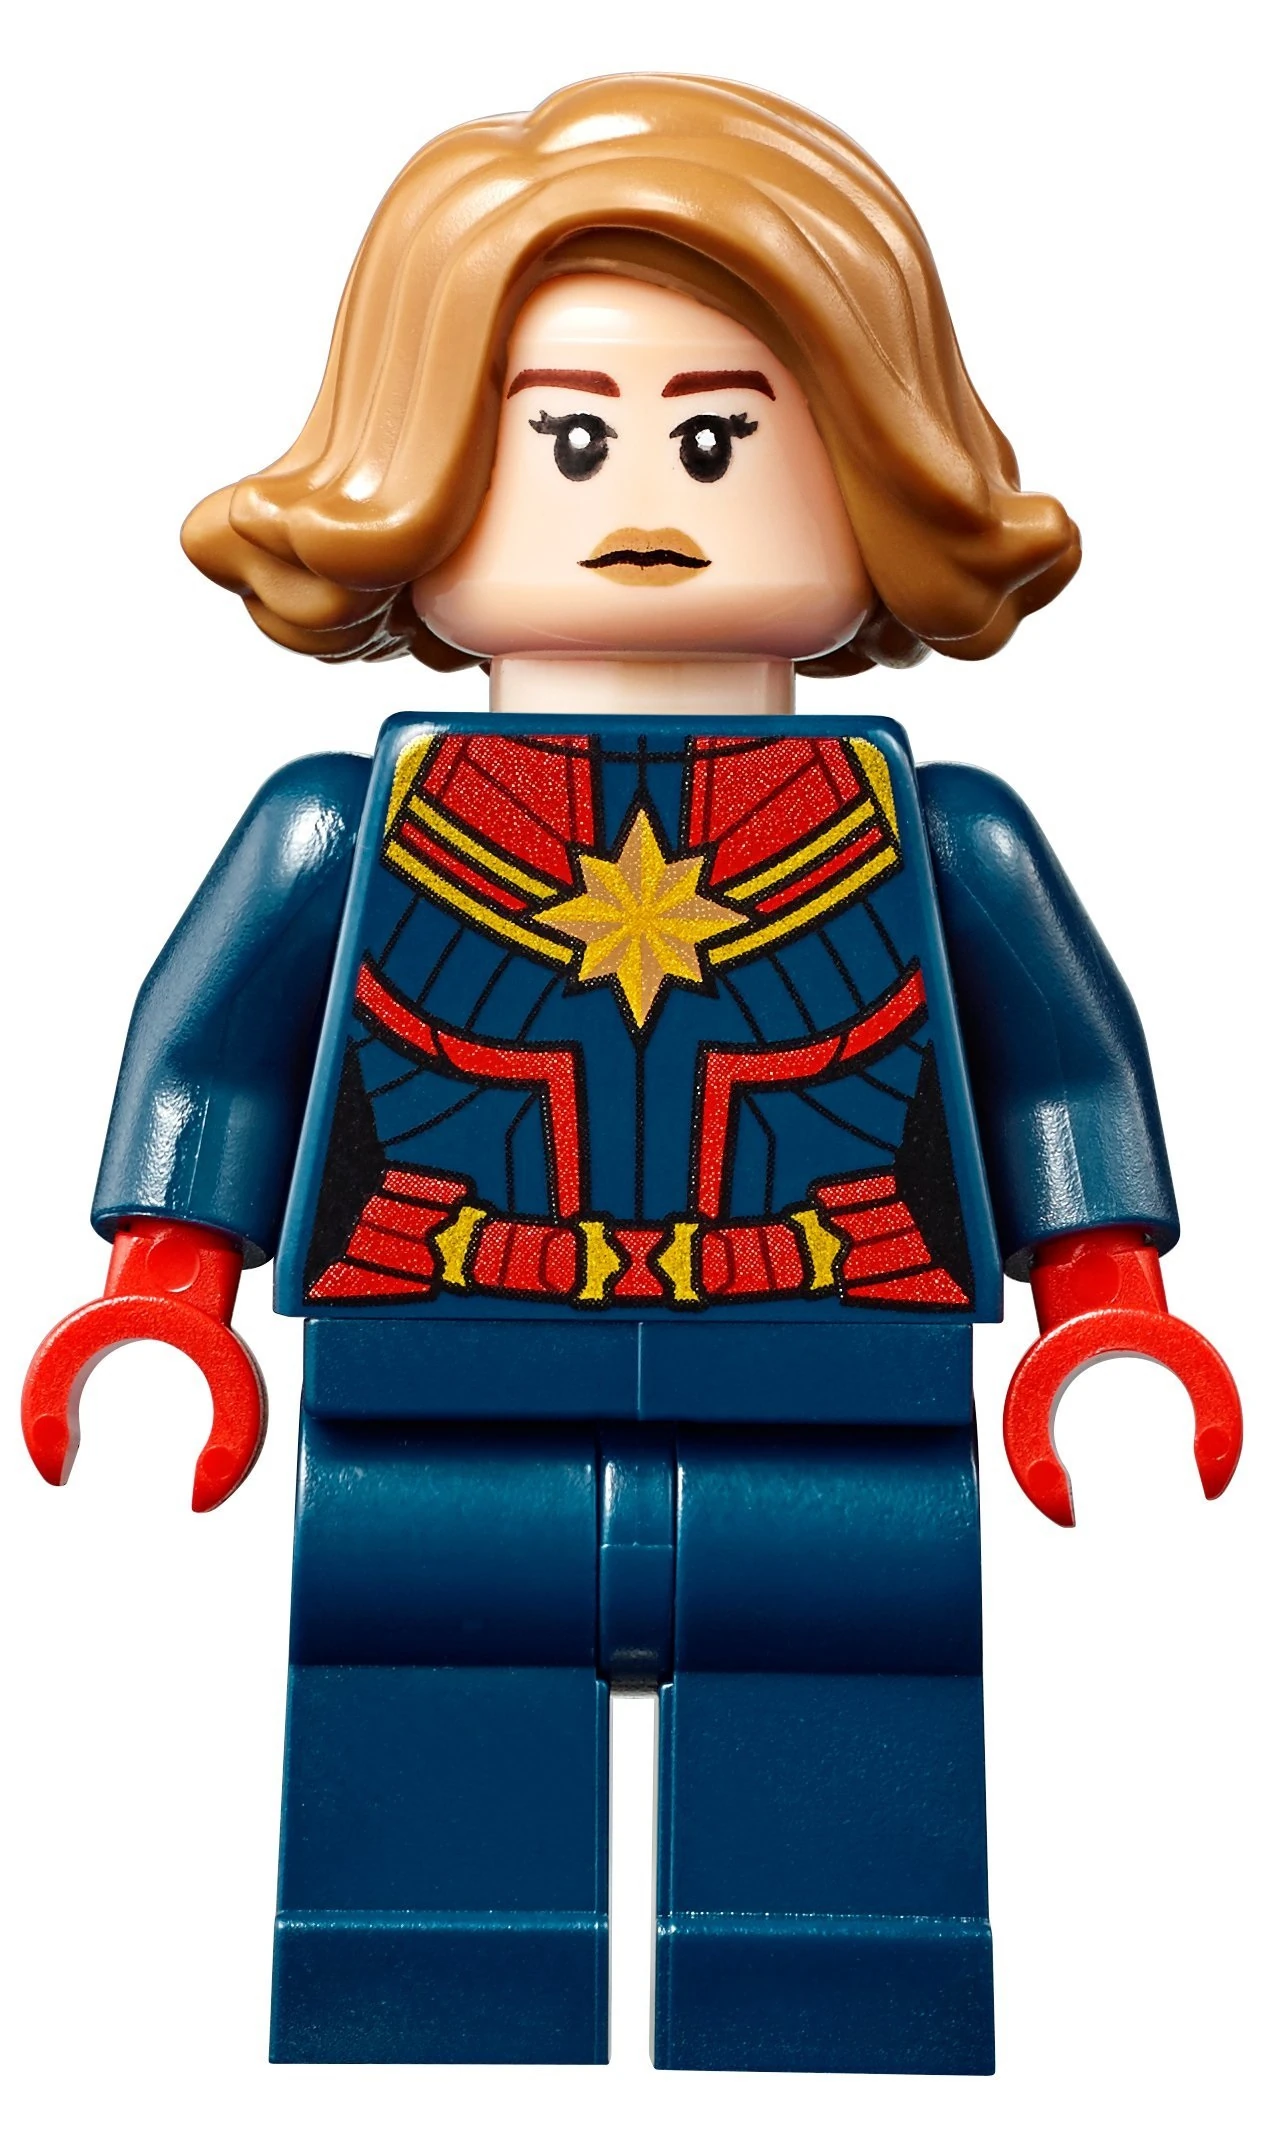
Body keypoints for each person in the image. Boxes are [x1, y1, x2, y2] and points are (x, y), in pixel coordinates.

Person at [23, 74, 1240, 2073]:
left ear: (874, 462)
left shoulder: (939, 838)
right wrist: (164, 1290)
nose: (644, 495)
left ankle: (836, 2011)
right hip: (431, 1379)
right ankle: (422, 2018)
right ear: (419, 467)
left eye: (723, 434)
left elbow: (1055, 1081)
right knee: (415, 1742)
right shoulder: (345, 824)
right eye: (569, 436)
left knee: (851, 1755)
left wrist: (1106, 1305)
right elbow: (215, 1058)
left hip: (842, 1391)